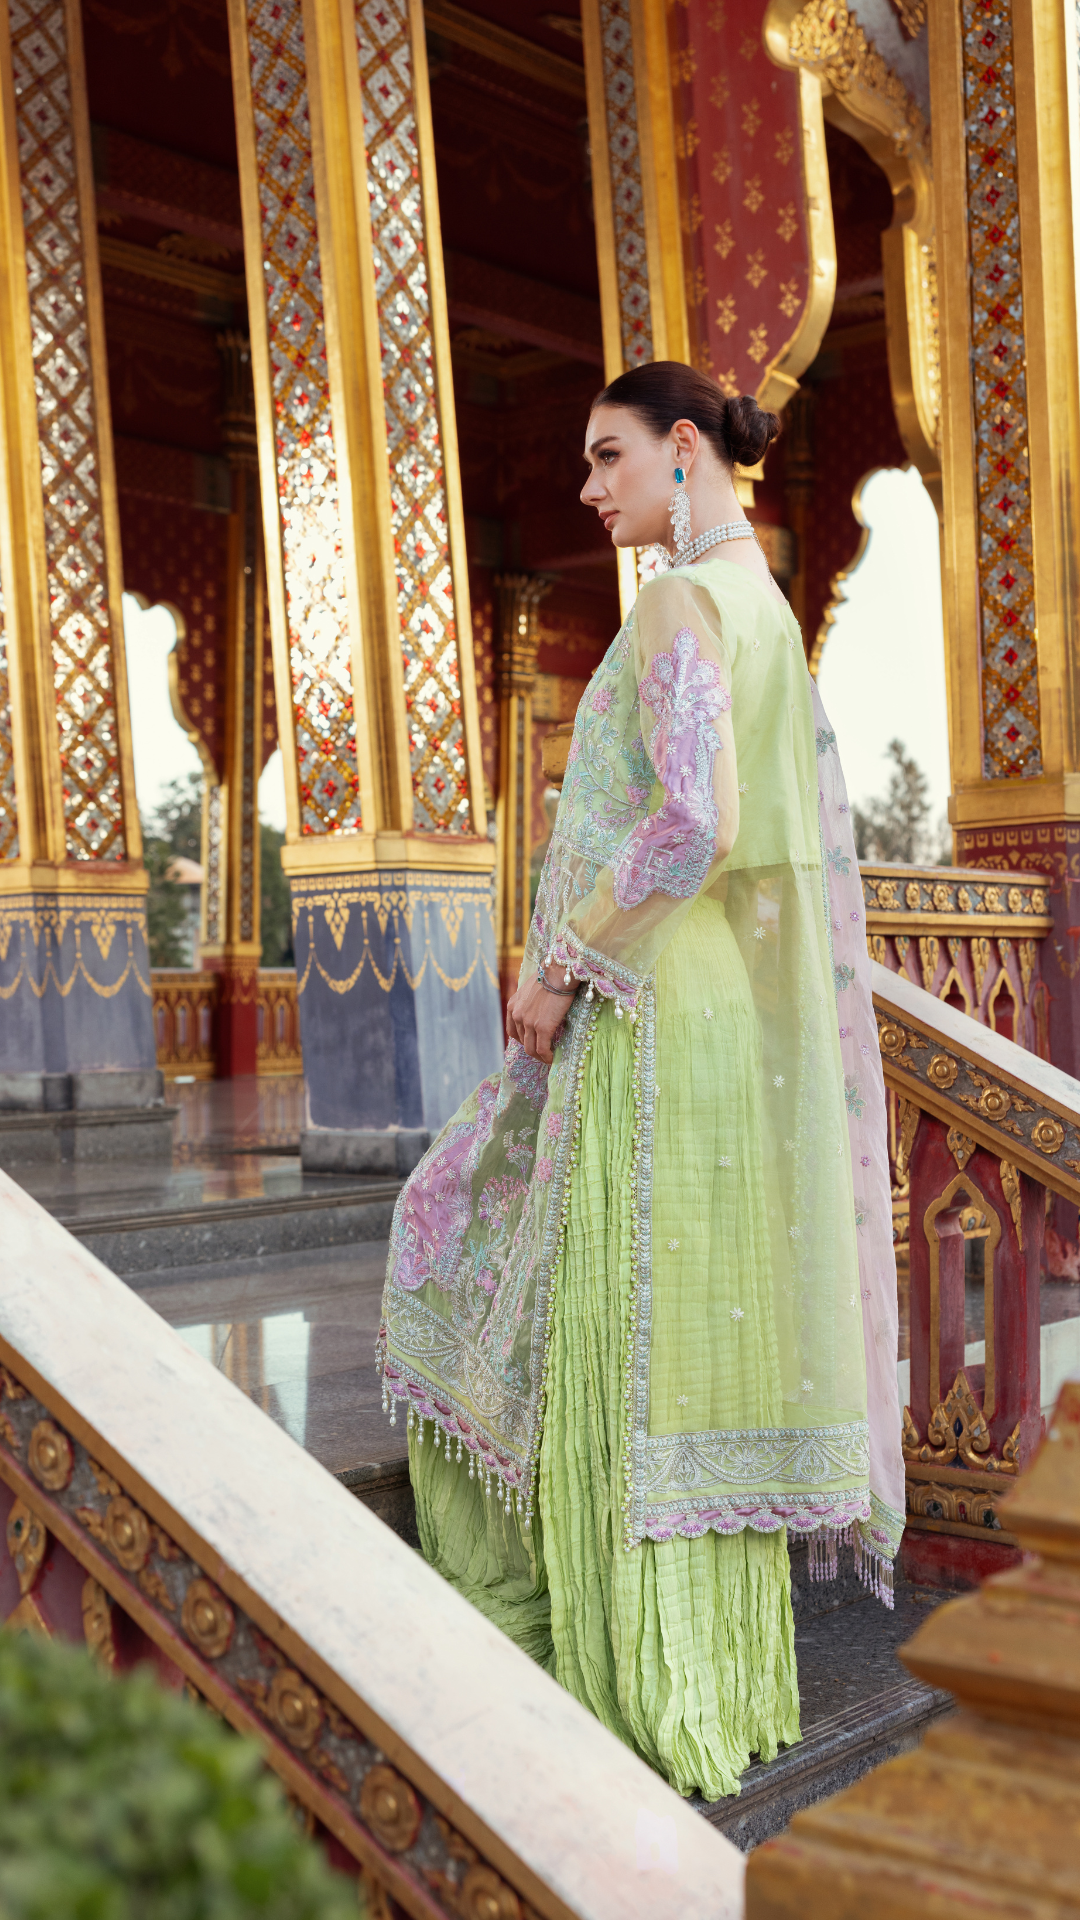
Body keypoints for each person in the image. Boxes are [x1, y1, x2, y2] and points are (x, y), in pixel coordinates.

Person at [378, 362, 903, 1800]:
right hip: (713, 1004)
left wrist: (562, 963)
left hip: (647, 996)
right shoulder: (764, 606)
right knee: (687, 1339)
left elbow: (695, 825)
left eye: (607, 457)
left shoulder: (678, 601)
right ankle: (708, 1672)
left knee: (605, 1327)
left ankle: (622, 1659)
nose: (590, 487)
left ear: (684, 448)